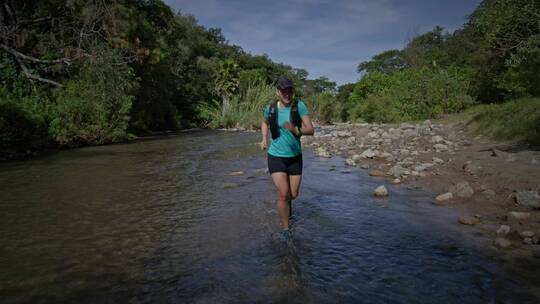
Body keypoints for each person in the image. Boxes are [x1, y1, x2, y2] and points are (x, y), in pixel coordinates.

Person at [260, 76, 315, 240]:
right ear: (278, 92)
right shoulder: (270, 108)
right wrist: (264, 139)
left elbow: (311, 130)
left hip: (295, 158)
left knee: (294, 194)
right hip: (276, 156)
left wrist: (295, 129)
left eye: (289, 90)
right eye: (284, 91)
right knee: (283, 193)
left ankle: (287, 206)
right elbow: (264, 122)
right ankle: (286, 228)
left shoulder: (299, 106)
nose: (287, 94)